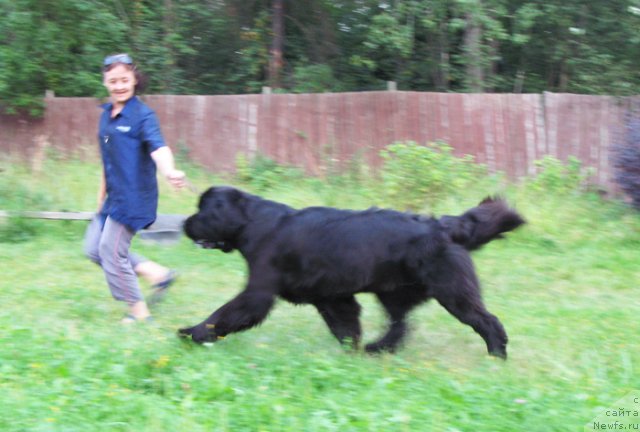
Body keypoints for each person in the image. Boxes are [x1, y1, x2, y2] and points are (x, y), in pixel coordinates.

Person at [84, 53, 186, 324]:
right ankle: (157, 274)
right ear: (105, 82)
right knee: (94, 248)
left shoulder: (142, 115)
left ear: (135, 79)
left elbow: (159, 147)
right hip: (112, 197)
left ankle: (139, 313)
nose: (119, 86)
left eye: (125, 80)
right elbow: (109, 158)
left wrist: (170, 171)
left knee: (111, 252)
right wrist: (100, 196)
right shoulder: (106, 116)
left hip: (133, 200)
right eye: (113, 81)